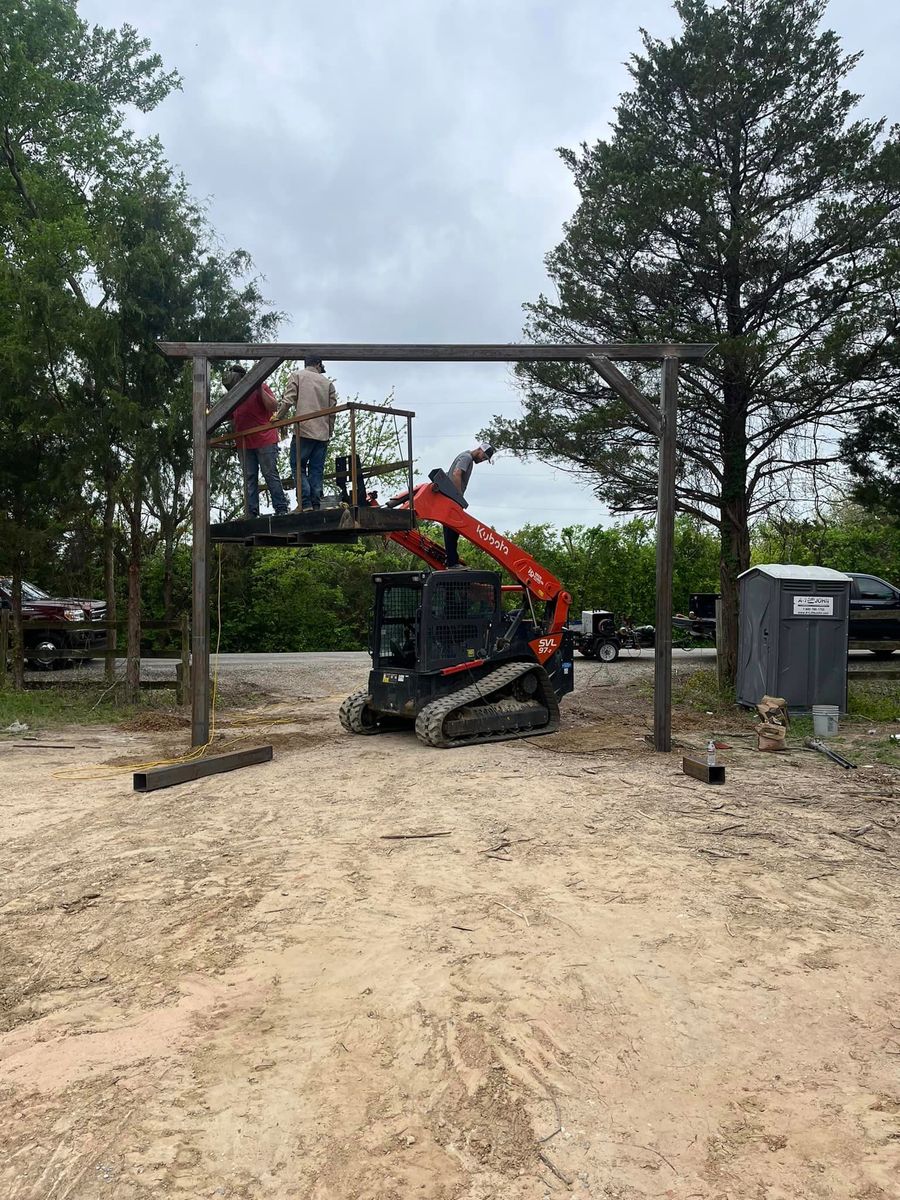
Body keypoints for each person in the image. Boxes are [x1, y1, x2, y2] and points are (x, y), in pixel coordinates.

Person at [226, 364, 288, 518]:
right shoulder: (233, 395)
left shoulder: (259, 388)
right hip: (244, 443)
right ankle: (251, 512)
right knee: (249, 477)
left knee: (270, 474)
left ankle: (281, 509)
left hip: (264, 439)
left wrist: (259, 387)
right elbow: (230, 417)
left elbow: (273, 406)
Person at [283, 356, 337, 511]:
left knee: (297, 465)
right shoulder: (327, 383)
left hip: (304, 430)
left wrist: (278, 417)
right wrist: (329, 431)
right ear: (318, 364)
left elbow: (288, 400)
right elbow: (332, 411)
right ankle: (315, 503)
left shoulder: (297, 376)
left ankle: (305, 502)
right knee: (316, 469)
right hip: (322, 433)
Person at [443, 442, 495, 567]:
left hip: (450, 497)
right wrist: (458, 497)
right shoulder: (467, 457)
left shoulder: (465, 457)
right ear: (480, 450)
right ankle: (452, 562)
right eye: (483, 457)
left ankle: (451, 560)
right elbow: (456, 473)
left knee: (452, 531)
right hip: (453, 498)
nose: (482, 460)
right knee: (453, 530)